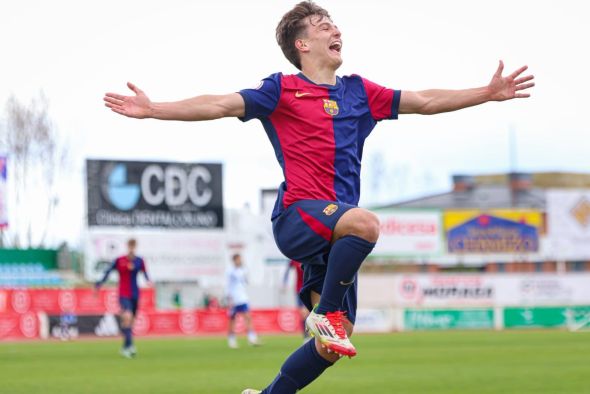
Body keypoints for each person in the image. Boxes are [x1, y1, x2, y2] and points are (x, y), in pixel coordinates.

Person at [103, 1, 534, 390]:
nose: (334, 29)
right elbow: (218, 104)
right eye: (323, 24)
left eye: (335, 24)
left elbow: (423, 100)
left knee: (335, 342)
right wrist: (154, 109)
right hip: (298, 217)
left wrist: (485, 93)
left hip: (335, 232)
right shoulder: (281, 89)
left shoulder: (359, 92)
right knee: (365, 224)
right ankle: (323, 315)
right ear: (302, 43)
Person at [95, 238, 150, 358]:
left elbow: (146, 274)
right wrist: (99, 284)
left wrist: (149, 281)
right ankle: (130, 346)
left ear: (135, 247)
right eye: (130, 245)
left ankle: (125, 346)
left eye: (133, 245)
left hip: (135, 294)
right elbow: (108, 271)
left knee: (131, 321)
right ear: (127, 246)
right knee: (127, 317)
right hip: (123, 294)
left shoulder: (139, 261)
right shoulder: (120, 260)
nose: (131, 248)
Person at [225, 253, 261, 349]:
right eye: (238, 259)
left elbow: (246, 281)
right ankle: (231, 340)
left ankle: (251, 338)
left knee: (248, 317)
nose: (240, 261)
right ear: (234, 260)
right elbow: (228, 285)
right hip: (233, 298)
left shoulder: (242, 270)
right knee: (232, 320)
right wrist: (229, 298)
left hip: (242, 297)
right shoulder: (230, 271)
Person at [282, 260, 310, 340]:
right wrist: (284, 283)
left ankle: (311, 335)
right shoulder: (296, 259)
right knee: (303, 314)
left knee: (310, 313)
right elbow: (287, 270)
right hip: (299, 290)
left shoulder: (311, 256)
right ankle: (306, 336)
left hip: (310, 289)